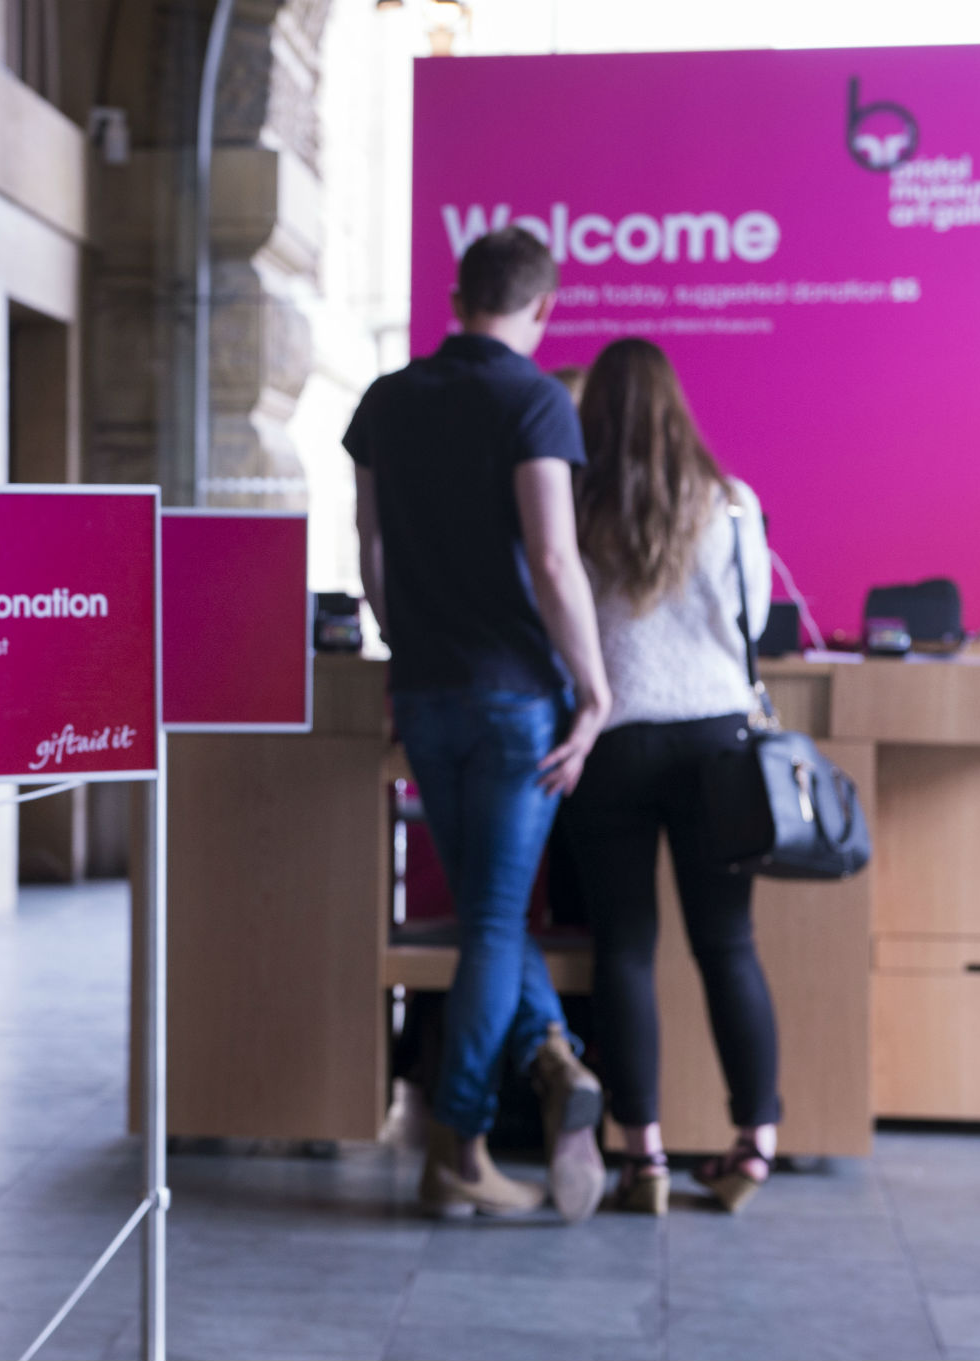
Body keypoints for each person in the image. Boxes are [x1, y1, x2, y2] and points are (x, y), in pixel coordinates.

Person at [345, 228, 612, 1223]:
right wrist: (593, 690)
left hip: (421, 691)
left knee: (485, 912)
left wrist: (401, 637)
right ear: (542, 309)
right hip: (511, 698)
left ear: (456, 297)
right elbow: (553, 558)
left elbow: (369, 548)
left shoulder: (385, 400)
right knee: (497, 919)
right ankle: (457, 1146)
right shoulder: (533, 399)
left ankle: (548, 1053)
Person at [560, 337, 780, 1215]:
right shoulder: (731, 506)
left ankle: (642, 1155)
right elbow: (753, 617)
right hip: (716, 746)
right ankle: (753, 1148)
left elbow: (556, 611)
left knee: (623, 947)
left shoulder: (576, 504)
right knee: (727, 945)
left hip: (612, 737)